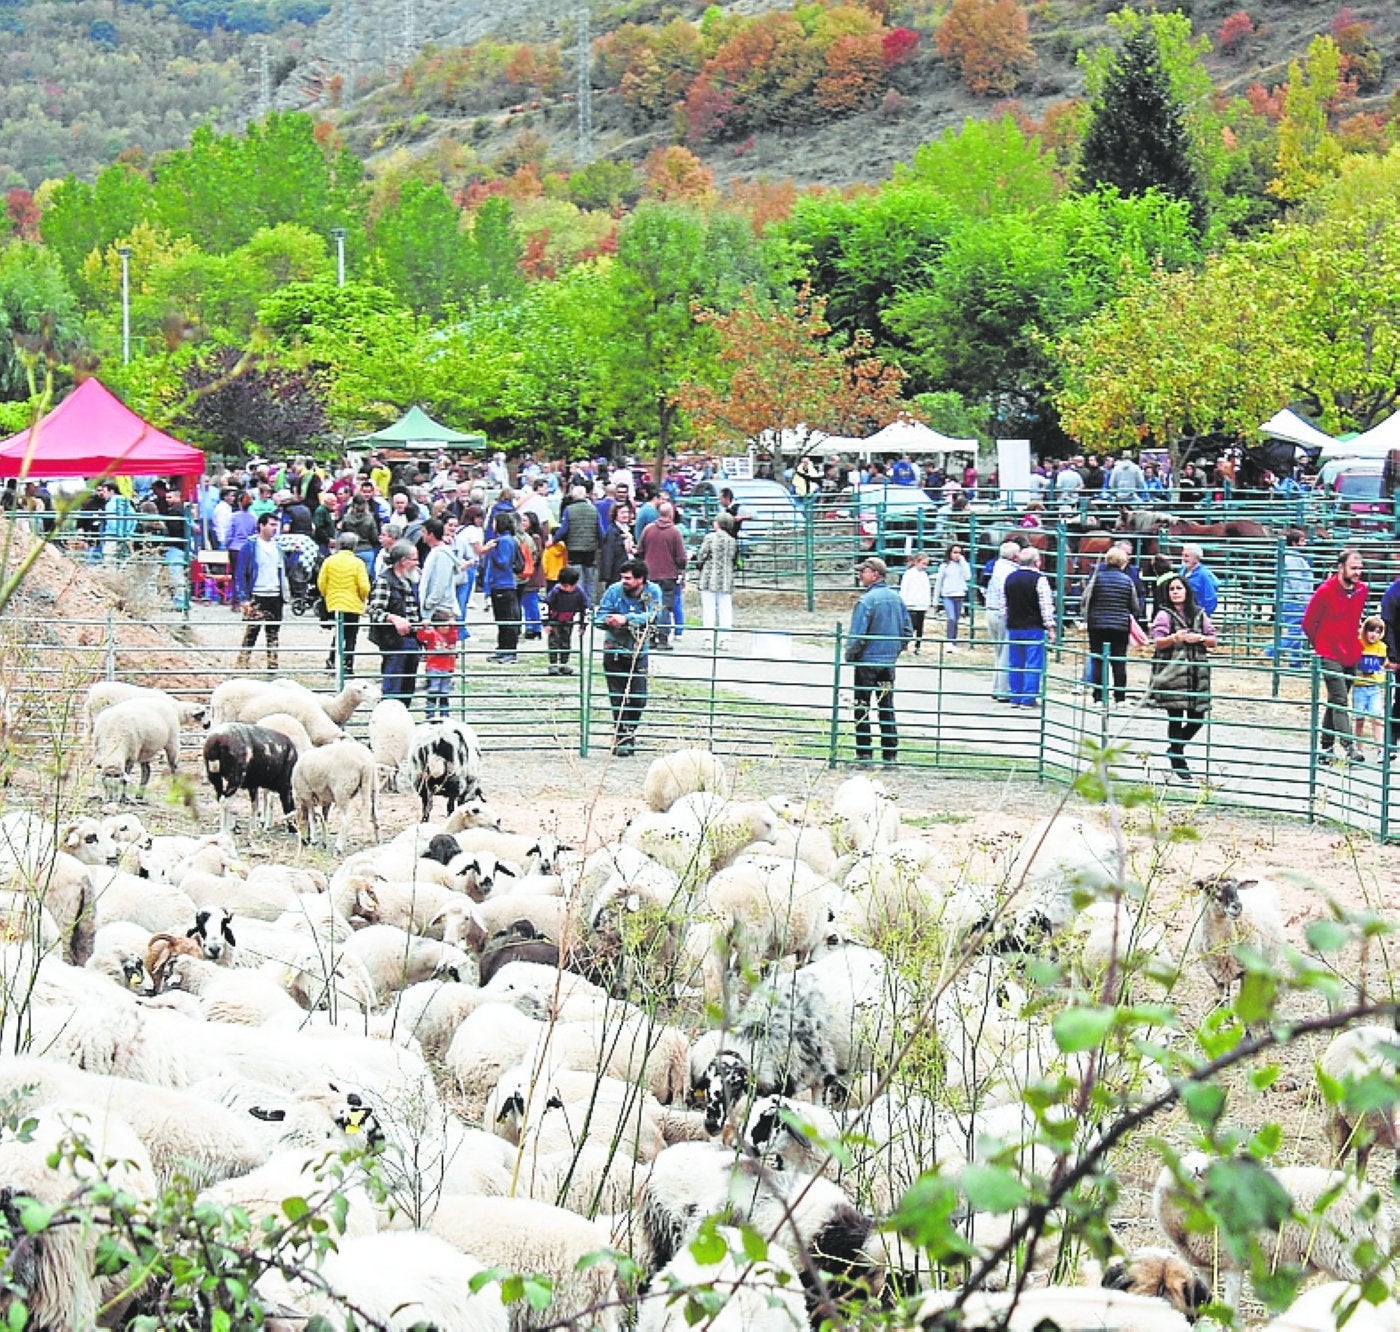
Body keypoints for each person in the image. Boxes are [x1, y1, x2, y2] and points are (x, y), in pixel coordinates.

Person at [1144, 575, 1216, 784]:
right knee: (1175, 714)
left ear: (1187, 591)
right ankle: (1178, 759)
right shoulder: (1164, 616)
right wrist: (1174, 638)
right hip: (1173, 671)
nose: (1175, 592)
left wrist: (1200, 638)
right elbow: (1157, 642)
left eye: (1179, 588)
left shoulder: (1199, 614)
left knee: (1197, 717)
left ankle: (1176, 747)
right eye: (1172, 589)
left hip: (1195, 673)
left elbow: (1213, 640)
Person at [1302, 547, 1368, 766]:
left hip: (1350, 651)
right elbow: (1309, 622)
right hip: (1329, 652)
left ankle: (1325, 746)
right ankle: (1349, 747)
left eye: (1360, 568)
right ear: (1341, 567)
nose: (1357, 572)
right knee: (1340, 699)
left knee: (1335, 700)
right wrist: (1320, 644)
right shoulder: (1326, 590)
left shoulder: (1361, 590)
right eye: (1353, 568)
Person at [845, 557, 913, 767]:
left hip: (867, 663)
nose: (860, 575)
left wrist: (851, 655)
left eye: (863, 571)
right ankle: (890, 753)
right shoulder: (896, 599)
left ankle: (864, 752)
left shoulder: (866, 601)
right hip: (887, 664)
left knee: (862, 705)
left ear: (875, 574)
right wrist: (894, 651)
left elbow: (858, 634)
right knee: (886, 705)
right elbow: (907, 631)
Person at [595, 559, 662, 756]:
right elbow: (600, 616)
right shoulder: (614, 591)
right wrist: (608, 621)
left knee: (638, 698)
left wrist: (626, 619)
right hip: (614, 650)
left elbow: (653, 615)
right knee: (618, 698)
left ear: (641, 580)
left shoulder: (652, 592)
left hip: (638, 651)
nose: (623, 581)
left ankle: (629, 732)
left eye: (628, 578)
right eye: (622, 577)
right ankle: (623, 738)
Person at [367, 539, 422, 706]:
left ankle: (403, 718)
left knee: (408, 686)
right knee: (393, 687)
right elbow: (375, 611)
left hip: (413, 638)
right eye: (414, 559)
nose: (417, 563)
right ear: (403, 561)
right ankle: (389, 719)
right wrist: (393, 618)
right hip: (394, 641)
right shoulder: (385, 581)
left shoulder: (411, 580)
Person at [1083, 546, 1141, 706]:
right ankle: (1120, 698)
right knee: (1119, 661)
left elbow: (1086, 599)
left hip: (1097, 625)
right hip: (1120, 626)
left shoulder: (1097, 578)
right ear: (1122, 563)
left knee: (1098, 659)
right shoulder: (1127, 580)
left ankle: (1098, 697)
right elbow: (1134, 606)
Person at [233, 511, 290, 673]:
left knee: (273, 632)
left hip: (275, 593)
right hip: (258, 593)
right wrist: (243, 597)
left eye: (276, 525)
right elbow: (241, 572)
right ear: (261, 525)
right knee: (252, 631)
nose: (274, 529)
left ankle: (272, 663)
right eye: (271, 525)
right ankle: (243, 661)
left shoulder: (278, 547)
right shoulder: (250, 547)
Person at [1003, 547, 1056, 708]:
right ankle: (1028, 697)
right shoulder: (1040, 579)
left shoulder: (1010, 578)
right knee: (1033, 662)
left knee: (1015, 662)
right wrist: (1051, 627)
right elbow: (1045, 606)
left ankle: (1015, 696)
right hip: (1033, 626)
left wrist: (1008, 618)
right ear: (1037, 562)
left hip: (1013, 625)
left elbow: (1004, 604)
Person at [318, 532, 371, 674]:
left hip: (334, 602)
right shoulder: (358, 563)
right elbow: (364, 586)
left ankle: (331, 661)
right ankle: (348, 664)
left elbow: (321, 582)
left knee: (338, 634)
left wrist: (327, 595)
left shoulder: (329, 561)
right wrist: (362, 598)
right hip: (353, 604)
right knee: (351, 636)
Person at [637, 500, 687, 650]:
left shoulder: (648, 529)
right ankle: (663, 639)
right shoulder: (674, 532)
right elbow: (680, 557)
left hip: (650, 574)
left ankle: (650, 637)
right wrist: (681, 570)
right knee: (664, 607)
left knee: (649, 606)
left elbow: (639, 551)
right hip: (668, 575)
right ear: (671, 514)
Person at [480, 513, 521, 664]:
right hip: (500, 584)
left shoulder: (503, 541)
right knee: (501, 619)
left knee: (506, 619)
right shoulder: (508, 540)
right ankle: (503, 648)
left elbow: (504, 562)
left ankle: (508, 651)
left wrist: (492, 550)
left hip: (503, 584)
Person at [693, 512, 739, 645]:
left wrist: (699, 564)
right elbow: (733, 558)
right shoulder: (732, 541)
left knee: (709, 609)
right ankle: (724, 638)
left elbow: (702, 555)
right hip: (725, 579)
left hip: (709, 578)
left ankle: (708, 638)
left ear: (718, 524)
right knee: (725, 609)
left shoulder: (710, 538)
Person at [984, 539, 1021, 702]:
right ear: (1014, 557)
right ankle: (1004, 690)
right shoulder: (1009, 572)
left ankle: (997, 686)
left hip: (991, 610)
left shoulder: (995, 566)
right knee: (1006, 652)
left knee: (999, 652)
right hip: (1002, 612)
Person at [553, 486, 605, 602]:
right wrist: (601, 545)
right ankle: (589, 603)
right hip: (590, 549)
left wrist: (554, 540)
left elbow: (564, 529)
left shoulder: (569, 510)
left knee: (577, 578)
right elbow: (600, 530)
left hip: (574, 548)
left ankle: (578, 602)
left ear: (573, 496)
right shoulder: (593, 509)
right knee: (590, 579)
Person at [1271, 528, 1313, 670]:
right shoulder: (1292, 560)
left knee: (1297, 630)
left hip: (1291, 599)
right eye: (1302, 541)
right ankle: (1272, 652)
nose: (1305, 543)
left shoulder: (1290, 557)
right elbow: (1296, 583)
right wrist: (1305, 600)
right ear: (1294, 543)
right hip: (1293, 600)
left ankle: (1296, 661)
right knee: (1297, 631)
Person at [1351, 616, 1388, 764]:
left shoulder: (1382, 648)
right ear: (1364, 631)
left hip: (1374, 688)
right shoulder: (1358, 644)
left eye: (1378, 632)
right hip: (1359, 687)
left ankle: (1380, 749)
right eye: (1371, 630)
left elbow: (1383, 667)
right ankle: (1359, 749)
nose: (1374, 635)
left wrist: (1378, 675)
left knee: (1377, 719)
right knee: (1359, 720)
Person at [545, 565, 588, 677]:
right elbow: (546, 606)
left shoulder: (579, 593)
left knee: (566, 642)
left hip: (568, 620)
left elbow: (585, 608)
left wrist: (583, 625)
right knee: (554, 641)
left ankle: (564, 664)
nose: (566, 588)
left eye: (569, 586)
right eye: (563, 585)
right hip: (554, 620)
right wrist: (546, 623)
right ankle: (553, 664)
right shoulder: (555, 591)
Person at [418, 609, 459, 720]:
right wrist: (424, 627)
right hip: (434, 667)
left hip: (447, 667)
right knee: (434, 689)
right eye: (445, 626)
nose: (447, 628)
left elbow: (454, 639)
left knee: (444, 691)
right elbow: (421, 637)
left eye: (448, 626)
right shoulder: (432, 634)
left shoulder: (449, 636)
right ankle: (430, 713)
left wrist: (454, 628)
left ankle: (444, 714)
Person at [932, 543, 971, 651]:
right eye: (954, 552)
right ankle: (949, 641)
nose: (956, 555)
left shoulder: (963, 565)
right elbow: (939, 583)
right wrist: (935, 600)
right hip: (947, 595)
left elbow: (968, 576)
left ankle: (953, 640)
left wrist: (963, 562)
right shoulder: (944, 566)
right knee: (951, 618)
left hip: (959, 594)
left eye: (959, 553)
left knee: (956, 620)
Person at [597, 499, 636, 591]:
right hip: (617, 573)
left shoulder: (629, 530)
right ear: (615, 515)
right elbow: (608, 554)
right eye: (622, 513)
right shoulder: (612, 532)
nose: (625, 515)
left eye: (627, 512)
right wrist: (607, 575)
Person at [899, 552, 932, 656]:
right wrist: (903, 601)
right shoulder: (909, 574)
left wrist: (927, 602)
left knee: (920, 626)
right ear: (917, 562)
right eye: (923, 563)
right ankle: (905, 643)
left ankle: (918, 646)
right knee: (910, 626)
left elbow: (927, 590)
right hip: (910, 604)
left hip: (921, 605)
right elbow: (904, 589)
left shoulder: (924, 575)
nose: (925, 566)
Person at [1179, 544, 1219, 616]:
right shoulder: (1182, 571)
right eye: (1183, 555)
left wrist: (1203, 615)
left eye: (1187, 556)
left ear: (1196, 559)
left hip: (1196, 614)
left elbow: (1210, 598)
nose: (1183, 558)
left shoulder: (1204, 575)